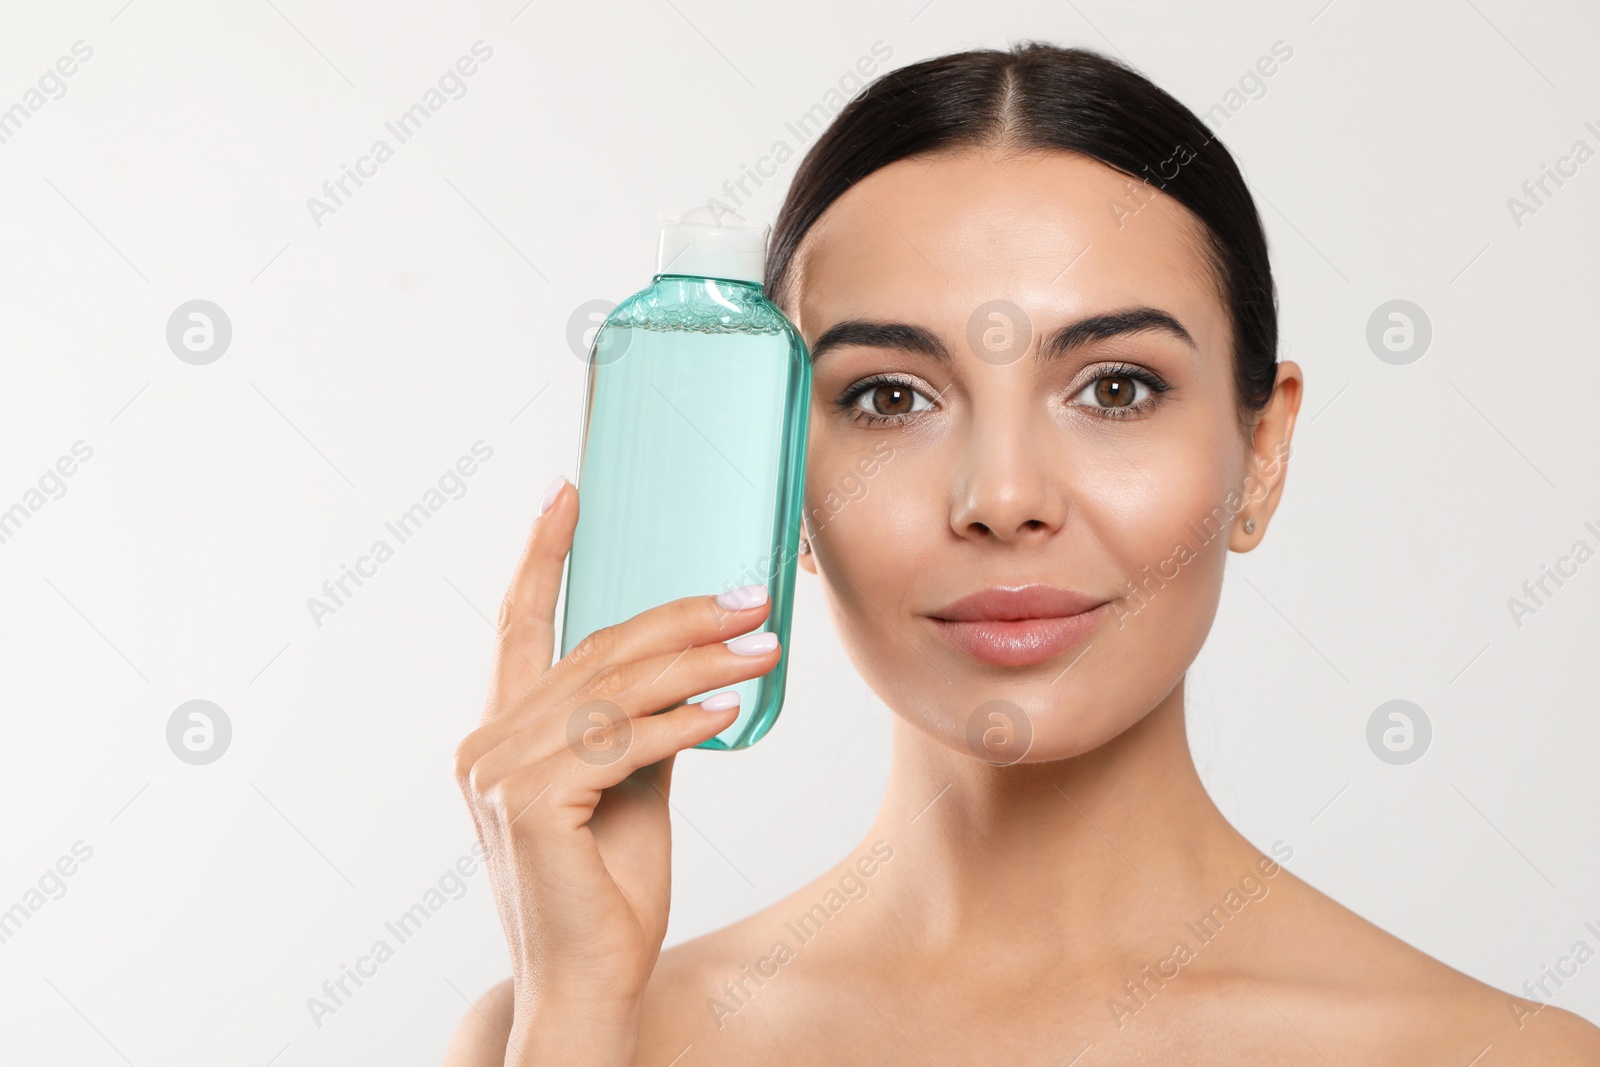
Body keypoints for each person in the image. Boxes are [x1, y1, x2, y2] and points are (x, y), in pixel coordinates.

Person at [446, 42, 1600, 1065]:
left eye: (1114, 386)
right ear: (779, 481)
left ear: (1261, 452)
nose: (1002, 498)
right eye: (892, 396)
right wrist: (582, 1017)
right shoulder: (553, 1031)